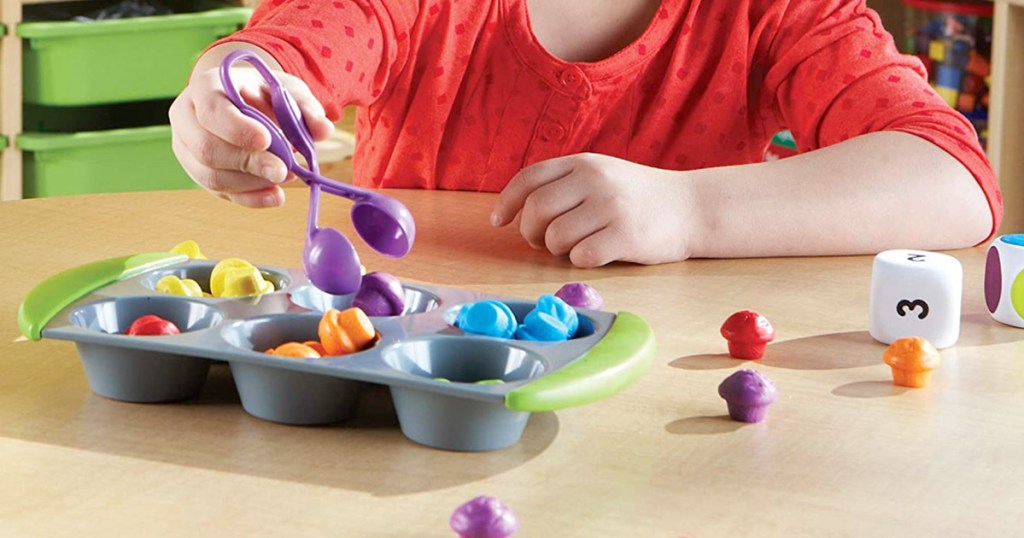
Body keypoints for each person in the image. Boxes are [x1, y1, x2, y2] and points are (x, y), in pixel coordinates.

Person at [170, 0, 1002, 268]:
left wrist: (690, 210)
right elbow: (286, 53)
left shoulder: (774, 11)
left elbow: (952, 177)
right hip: (401, 384)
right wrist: (232, 87)